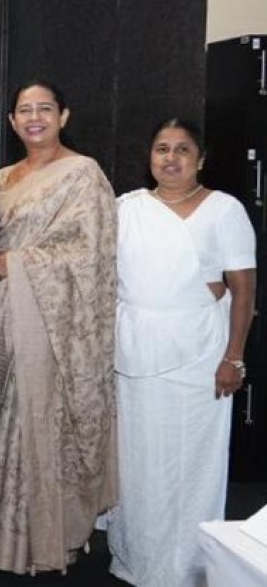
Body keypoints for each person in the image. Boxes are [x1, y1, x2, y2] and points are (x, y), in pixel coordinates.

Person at [0, 79, 118, 574]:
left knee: (37, 422)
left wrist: (21, 261)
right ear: (11, 122)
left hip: (54, 321)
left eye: (45, 109)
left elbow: (92, 253)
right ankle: (13, 542)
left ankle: (46, 544)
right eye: (24, 111)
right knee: (13, 412)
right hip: (8, 313)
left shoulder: (83, 174)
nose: (34, 118)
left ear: (64, 116)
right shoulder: (5, 175)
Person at [106, 119, 256, 586]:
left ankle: (185, 566)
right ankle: (136, 558)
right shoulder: (126, 209)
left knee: (190, 463)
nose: (170, 158)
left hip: (199, 357)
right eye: (161, 149)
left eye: (182, 150)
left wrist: (233, 358)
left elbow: (244, 292)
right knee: (139, 461)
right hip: (133, 352)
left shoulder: (224, 210)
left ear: (201, 159)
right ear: (149, 157)